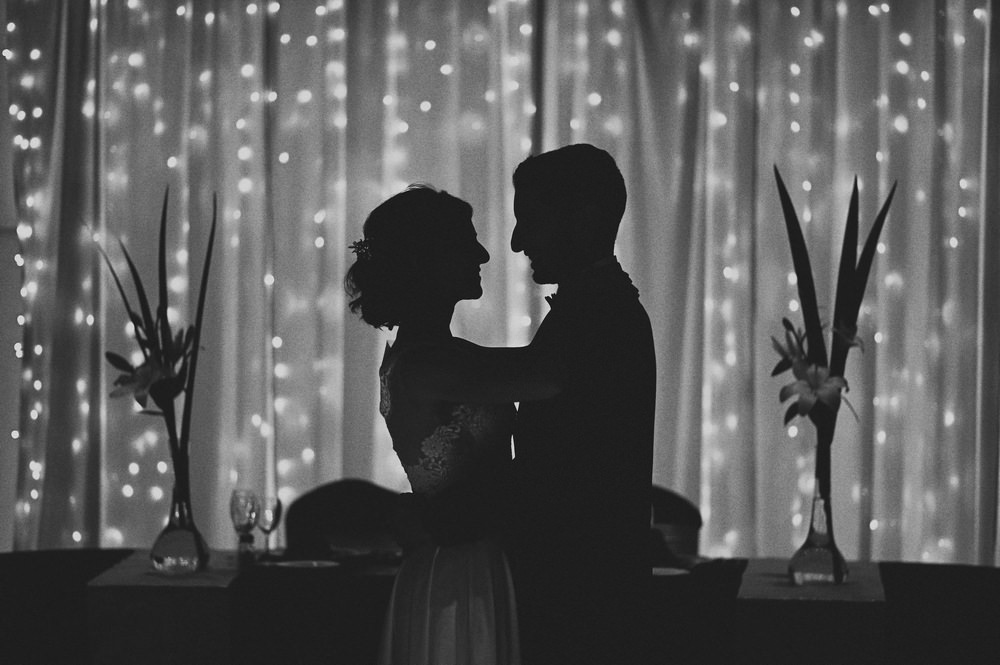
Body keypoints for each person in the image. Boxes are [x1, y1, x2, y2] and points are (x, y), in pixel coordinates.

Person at [345, 185, 559, 665]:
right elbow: (549, 378)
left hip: (460, 561)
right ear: (428, 258)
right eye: (468, 241)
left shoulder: (427, 357)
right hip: (461, 571)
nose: (483, 253)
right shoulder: (429, 365)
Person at [506, 144, 656, 665]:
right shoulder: (602, 304)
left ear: (583, 216)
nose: (516, 240)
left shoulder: (599, 314)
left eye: (530, 220)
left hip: (583, 604)